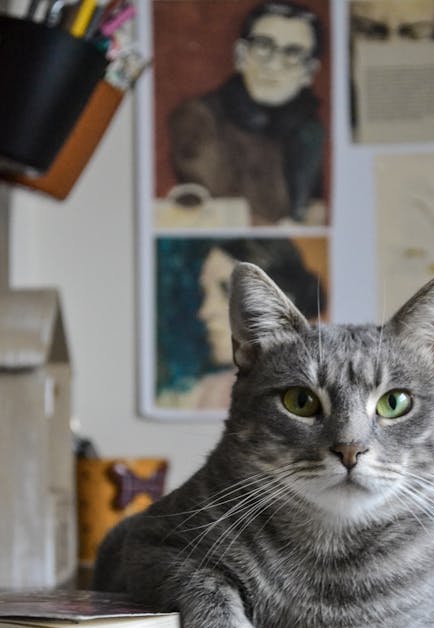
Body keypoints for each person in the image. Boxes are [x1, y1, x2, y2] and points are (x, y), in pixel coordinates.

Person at [168, 1, 325, 225]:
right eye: (263, 46)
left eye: (292, 53)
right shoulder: (199, 117)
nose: (273, 65)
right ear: (241, 54)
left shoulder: (311, 129)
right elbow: (219, 211)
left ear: (309, 71)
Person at [156, 238, 326, 410]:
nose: (205, 312)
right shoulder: (190, 397)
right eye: (205, 292)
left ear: (284, 301)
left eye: (226, 291)